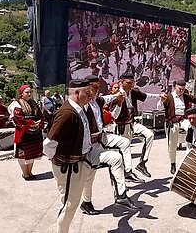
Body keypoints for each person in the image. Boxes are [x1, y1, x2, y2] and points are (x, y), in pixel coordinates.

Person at [42, 79, 138, 233]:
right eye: (87, 92)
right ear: (77, 93)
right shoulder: (67, 114)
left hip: (85, 156)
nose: (90, 95)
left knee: (115, 157)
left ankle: (121, 195)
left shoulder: (79, 109)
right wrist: (59, 162)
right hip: (69, 166)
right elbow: (48, 144)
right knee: (70, 204)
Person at [114, 73, 160, 178]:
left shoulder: (134, 92)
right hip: (121, 126)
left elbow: (147, 96)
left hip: (132, 123)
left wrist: (159, 96)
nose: (131, 85)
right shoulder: (117, 94)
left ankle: (142, 163)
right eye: (129, 83)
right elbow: (114, 114)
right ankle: (121, 179)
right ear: (122, 82)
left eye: (132, 82)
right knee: (122, 154)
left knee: (150, 135)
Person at [158, 80, 196, 174]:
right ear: (175, 87)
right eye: (180, 89)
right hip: (172, 122)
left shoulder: (185, 96)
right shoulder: (168, 96)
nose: (181, 91)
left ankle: (189, 150)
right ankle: (173, 164)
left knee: (191, 128)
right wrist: (161, 101)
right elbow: (159, 108)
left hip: (183, 120)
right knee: (172, 145)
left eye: (183, 89)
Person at [9, 85, 44, 181]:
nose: (29, 94)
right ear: (21, 93)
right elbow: (18, 118)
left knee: (33, 152)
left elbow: (40, 114)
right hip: (23, 132)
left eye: (30, 92)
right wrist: (31, 123)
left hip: (34, 132)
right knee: (23, 154)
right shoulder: (17, 104)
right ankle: (25, 173)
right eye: (27, 92)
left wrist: (39, 121)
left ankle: (30, 172)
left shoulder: (33, 103)